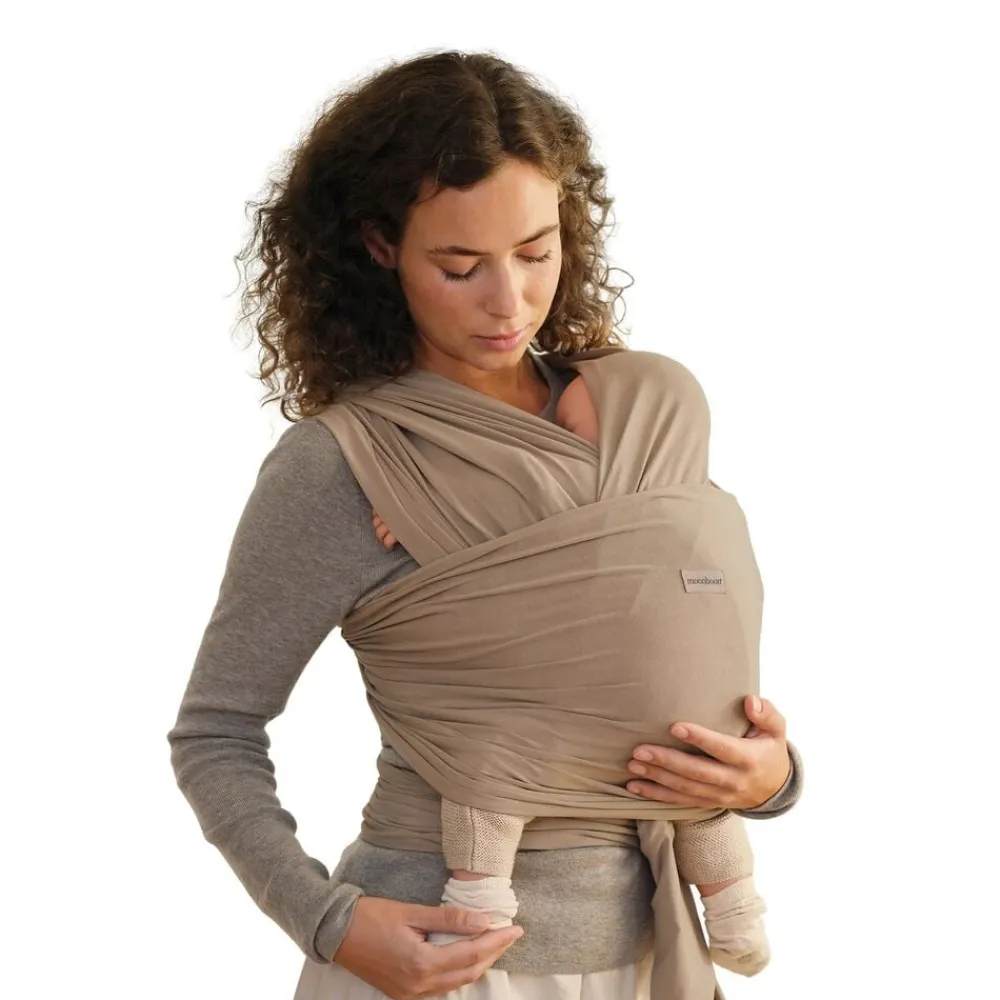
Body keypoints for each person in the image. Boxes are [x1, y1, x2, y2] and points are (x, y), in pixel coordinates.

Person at [167, 49, 803, 1000]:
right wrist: (331, 922)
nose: (509, 301)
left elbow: (664, 648)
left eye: (536, 253)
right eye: (459, 266)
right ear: (379, 246)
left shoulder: (632, 418)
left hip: (650, 951)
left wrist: (769, 779)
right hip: (436, 953)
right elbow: (215, 732)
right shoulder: (346, 461)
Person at [370, 369, 771, 980]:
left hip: (571, 776)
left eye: (573, 428)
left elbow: (512, 509)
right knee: (702, 807)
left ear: (640, 433)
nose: (560, 440)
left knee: (490, 773)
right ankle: (735, 910)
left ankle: (478, 900)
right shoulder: (718, 510)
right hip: (695, 738)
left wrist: (423, 507)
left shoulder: (616, 498)